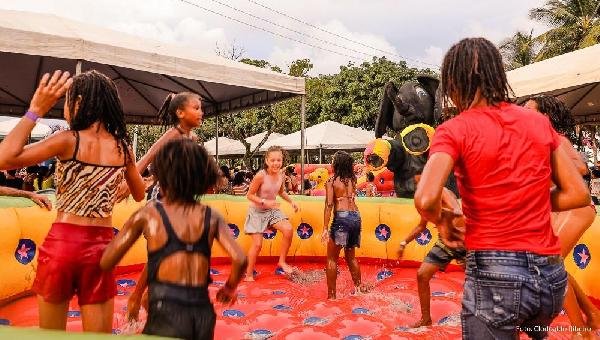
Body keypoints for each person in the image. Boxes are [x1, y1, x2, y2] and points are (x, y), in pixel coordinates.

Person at [414, 38, 590, 339]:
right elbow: (579, 194)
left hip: (497, 277)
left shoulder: (455, 129)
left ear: (454, 83)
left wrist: (443, 221)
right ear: (497, 76)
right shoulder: (537, 122)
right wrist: (526, 201)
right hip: (549, 280)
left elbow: (426, 198)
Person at [0, 70, 146, 333]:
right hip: (101, 250)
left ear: (80, 102)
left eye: (67, 100)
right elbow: (139, 194)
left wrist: (35, 110)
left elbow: (5, 158)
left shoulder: (68, 140)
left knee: (52, 336)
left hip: (62, 244)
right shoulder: (123, 147)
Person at [101, 139, 246, 340]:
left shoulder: (149, 213)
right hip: (202, 312)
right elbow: (240, 259)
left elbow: (107, 260)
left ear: (160, 176)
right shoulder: (211, 216)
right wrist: (229, 288)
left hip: (165, 312)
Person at [525, 95, 600, 336]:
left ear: (545, 116)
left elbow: (581, 168)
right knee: (552, 264)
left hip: (577, 209)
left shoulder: (556, 139)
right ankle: (592, 314)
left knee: (550, 264)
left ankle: (581, 332)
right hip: (558, 211)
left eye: (530, 111)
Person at [398, 174, 465, 327]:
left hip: (463, 240)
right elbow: (421, 226)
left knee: (477, 280)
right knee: (422, 275)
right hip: (445, 243)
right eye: (416, 182)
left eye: (421, 179)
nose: (418, 184)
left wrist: (444, 216)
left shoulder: (442, 191)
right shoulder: (425, 199)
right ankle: (426, 319)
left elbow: (456, 210)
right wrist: (403, 243)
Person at [117, 92, 202, 201]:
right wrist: (128, 183)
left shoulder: (192, 138)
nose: (200, 112)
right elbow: (149, 156)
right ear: (181, 113)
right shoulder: (173, 134)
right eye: (196, 108)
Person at [244, 146, 299, 280]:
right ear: (267, 161)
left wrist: (291, 202)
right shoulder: (260, 176)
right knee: (257, 245)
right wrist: (264, 202)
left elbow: (281, 192)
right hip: (257, 211)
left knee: (288, 229)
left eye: (278, 160)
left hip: (272, 211)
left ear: (282, 161)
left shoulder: (281, 174)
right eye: (273, 160)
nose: (276, 163)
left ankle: (281, 261)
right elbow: (249, 195)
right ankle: (249, 274)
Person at [320, 151, 368, 299]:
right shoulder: (352, 180)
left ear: (336, 164)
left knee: (332, 258)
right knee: (351, 257)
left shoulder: (331, 181)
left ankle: (332, 296)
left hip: (342, 218)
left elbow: (329, 204)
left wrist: (325, 228)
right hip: (355, 217)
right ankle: (359, 288)